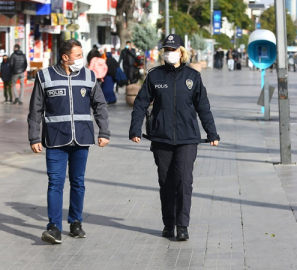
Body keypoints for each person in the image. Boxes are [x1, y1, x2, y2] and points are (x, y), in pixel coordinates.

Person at [129, 34, 220, 241]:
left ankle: (182, 225)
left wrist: (212, 133)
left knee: (184, 182)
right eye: (167, 50)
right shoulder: (154, 76)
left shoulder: (193, 77)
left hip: (187, 138)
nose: (170, 53)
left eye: (173, 50)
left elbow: (203, 107)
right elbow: (141, 103)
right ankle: (168, 224)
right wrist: (135, 129)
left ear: (182, 52)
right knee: (166, 182)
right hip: (161, 138)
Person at [28, 39, 110, 244]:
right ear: (65, 57)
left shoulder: (89, 76)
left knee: (78, 182)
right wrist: (34, 137)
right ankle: (54, 227)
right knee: (55, 183)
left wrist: (104, 132)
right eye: (78, 55)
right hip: (55, 140)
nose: (81, 59)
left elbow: (100, 105)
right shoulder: (44, 76)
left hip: (81, 139)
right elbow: (35, 110)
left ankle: (75, 222)